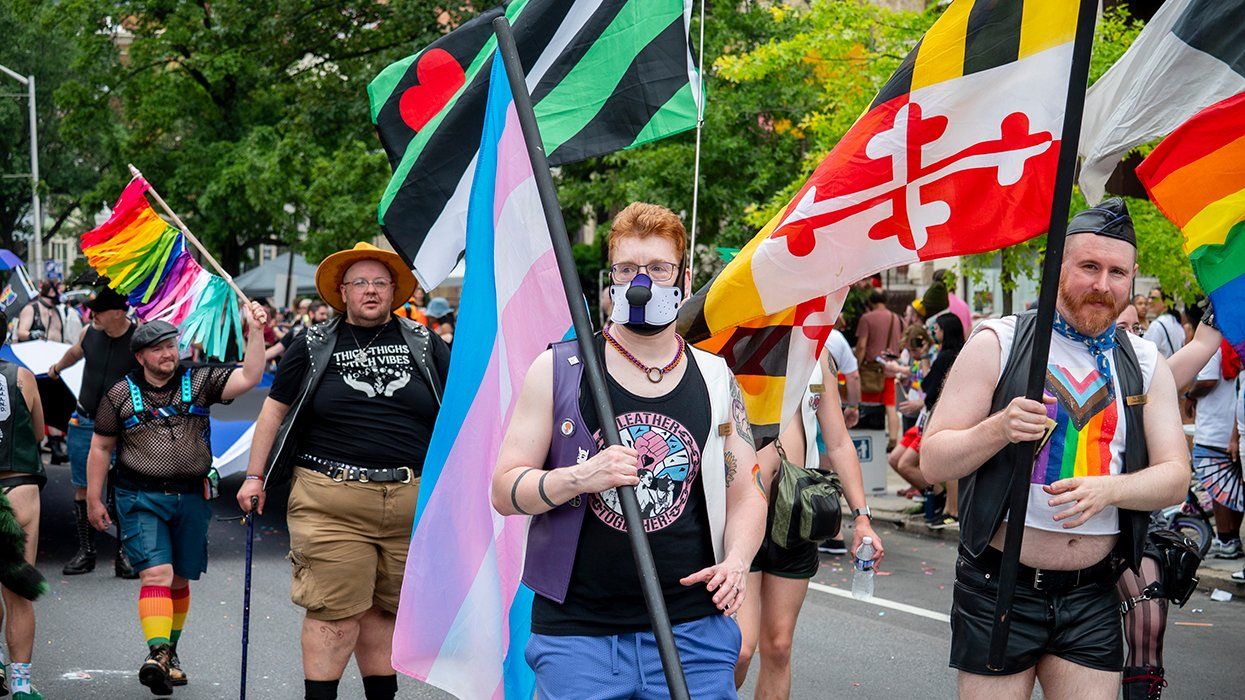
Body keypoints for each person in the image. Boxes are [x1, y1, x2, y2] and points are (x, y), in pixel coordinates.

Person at [491, 202, 767, 699]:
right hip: (579, 634)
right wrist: (579, 477)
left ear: (682, 276)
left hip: (692, 630)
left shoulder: (715, 378)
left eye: (658, 268)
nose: (644, 282)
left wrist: (738, 561)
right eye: (628, 268)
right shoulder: (560, 370)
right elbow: (505, 489)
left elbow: (747, 490)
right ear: (610, 278)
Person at [921, 199, 1188, 700]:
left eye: (1117, 272)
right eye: (1089, 267)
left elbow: (1176, 476)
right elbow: (933, 460)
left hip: (1093, 594)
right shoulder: (998, 341)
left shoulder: (1147, 361)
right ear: (1057, 267)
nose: (1102, 285)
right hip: (998, 587)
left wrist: (1110, 490)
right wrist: (998, 428)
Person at [239, 242, 448, 700]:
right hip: (331, 501)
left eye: (380, 282)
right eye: (360, 283)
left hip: (409, 506)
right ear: (343, 292)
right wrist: (255, 476)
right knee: (334, 614)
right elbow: (273, 412)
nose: (371, 291)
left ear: (394, 291)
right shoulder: (311, 345)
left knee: (384, 613)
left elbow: (458, 410)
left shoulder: (425, 343)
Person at [86, 303, 268, 696]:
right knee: (157, 575)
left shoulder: (200, 381)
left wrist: (255, 330)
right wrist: (94, 499)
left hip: (192, 498)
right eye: (158, 348)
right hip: (139, 498)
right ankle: (157, 653)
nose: (168, 353)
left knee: (181, 578)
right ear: (140, 356)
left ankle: (169, 656)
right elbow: (100, 446)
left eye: (172, 345)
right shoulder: (120, 393)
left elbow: (250, 376)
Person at [736, 348, 884, 697]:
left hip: (797, 512)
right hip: (739, 510)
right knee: (738, 649)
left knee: (779, 646)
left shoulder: (819, 354)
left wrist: (862, 518)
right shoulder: (735, 334)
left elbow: (839, 441)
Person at [47, 287, 140, 578]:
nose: (92, 314)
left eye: (98, 310)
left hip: (125, 426)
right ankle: (86, 552)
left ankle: (124, 555)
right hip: (86, 420)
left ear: (118, 313)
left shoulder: (138, 340)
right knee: (84, 486)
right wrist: (56, 368)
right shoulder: (90, 333)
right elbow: (75, 352)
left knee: (123, 487)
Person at [0, 309, 47, 699]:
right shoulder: (21, 377)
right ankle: (20, 684)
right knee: (17, 592)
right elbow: (39, 433)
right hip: (18, 487)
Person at [16, 281, 81, 464]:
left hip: (52, 367)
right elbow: (21, 332)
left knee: (53, 405)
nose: (59, 294)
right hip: (33, 366)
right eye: (56, 290)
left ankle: (55, 445)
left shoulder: (57, 311)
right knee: (32, 405)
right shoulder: (32, 308)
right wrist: (32, 335)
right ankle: (34, 447)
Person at [1189, 347, 1243, 560]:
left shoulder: (1213, 348)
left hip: (1215, 430)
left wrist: (1189, 395)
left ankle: (1226, 540)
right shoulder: (1237, 345)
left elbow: (1207, 381)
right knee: (1235, 487)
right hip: (1234, 430)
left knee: (1219, 487)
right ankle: (1232, 539)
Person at [922, 314, 965, 529]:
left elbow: (928, 387)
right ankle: (949, 506)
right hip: (960, 410)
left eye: (937, 329)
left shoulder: (945, 357)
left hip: (944, 413)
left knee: (948, 465)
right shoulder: (964, 353)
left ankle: (951, 509)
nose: (934, 333)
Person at [854, 290, 902, 448]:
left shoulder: (866, 318)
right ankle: (893, 440)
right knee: (890, 405)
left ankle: (872, 437)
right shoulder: (897, 318)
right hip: (890, 369)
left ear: (870, 303)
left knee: (870, 406)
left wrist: (857, 364)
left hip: (871, 370)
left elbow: (861, 345)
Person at [1143, 287, 1185, 358]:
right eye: (1149, 297)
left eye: (1154, 298)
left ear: (1166, 303)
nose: (1149, 301)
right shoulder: (1176, 322)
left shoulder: (1157, 324)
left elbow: (1146, 353)